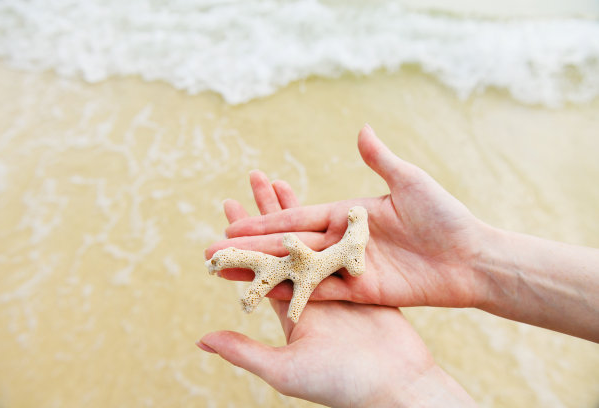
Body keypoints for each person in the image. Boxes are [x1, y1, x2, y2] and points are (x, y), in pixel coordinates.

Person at [197, 125, 599, 407]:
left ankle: (229, 261)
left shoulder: (347, 251)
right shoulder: (344, 252)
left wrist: (399, 392)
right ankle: (229, 261)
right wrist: (475, 258)